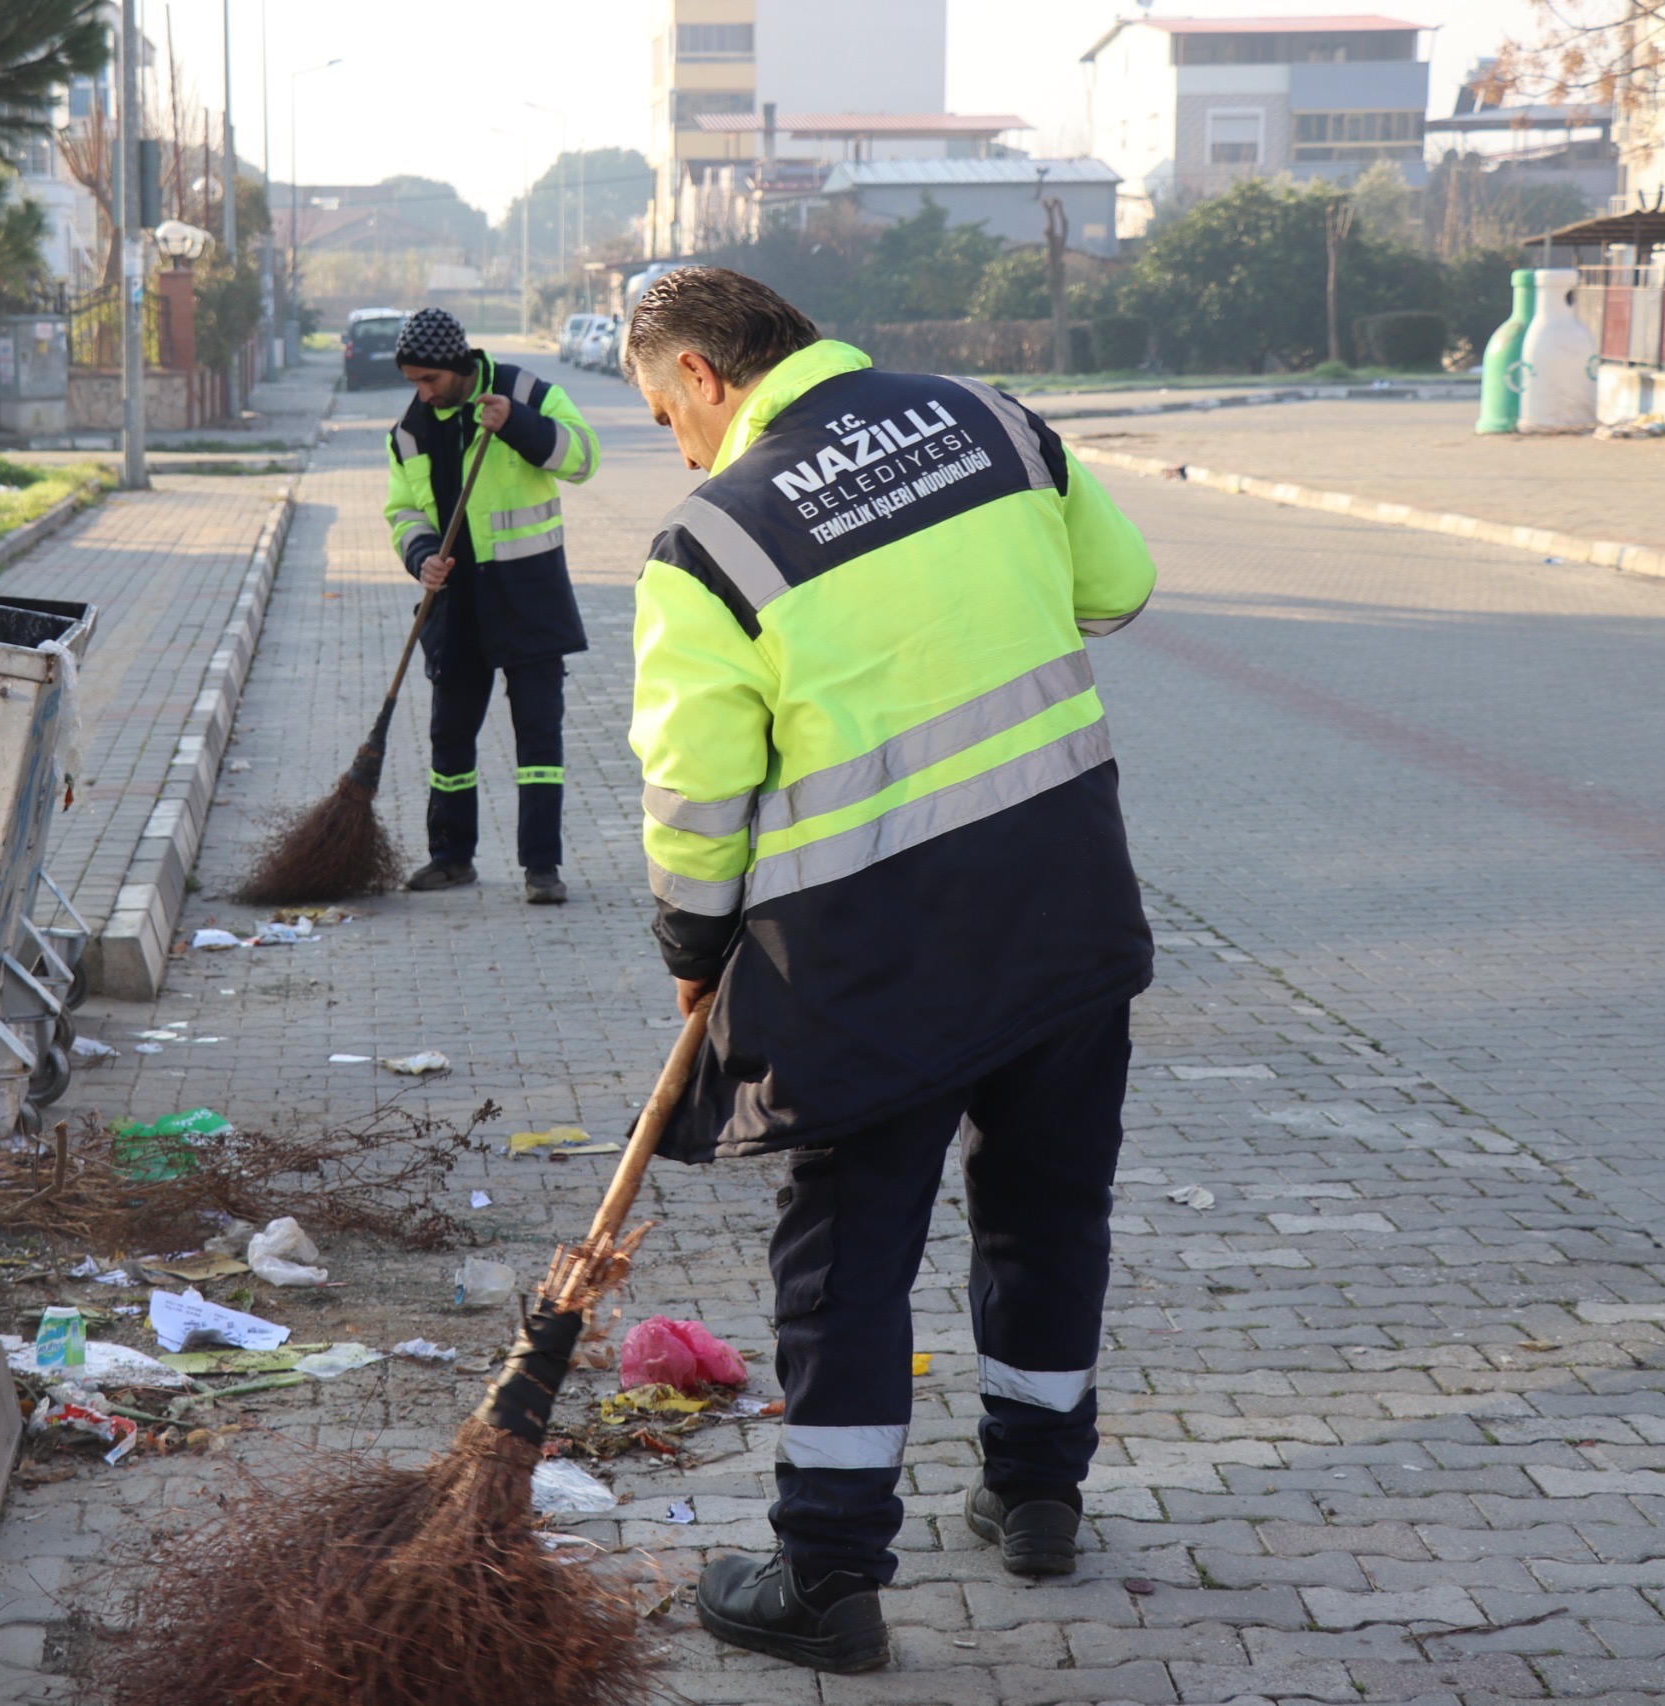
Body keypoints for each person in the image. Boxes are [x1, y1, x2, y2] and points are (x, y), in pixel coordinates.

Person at [621, 268, 1158, 1673]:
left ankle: (829, 1574)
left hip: (868, 963)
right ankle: (1039, 1495)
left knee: (850, 1256)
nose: (677, 447)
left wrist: (691, 952)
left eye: (662, 413)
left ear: (699, 377)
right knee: (1048, 1207)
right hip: (1062, 909)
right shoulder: (996, 420)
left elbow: (695, 800)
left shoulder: (714, 541)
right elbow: (1122, 587)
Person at [382, 306, 599, 904]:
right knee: (449, 737)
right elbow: (402, 511)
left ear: (456, 367)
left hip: (530, 597)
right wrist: (421, 555)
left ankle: (542, 869)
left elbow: (583, 458)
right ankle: (451, 858)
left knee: (539, 741)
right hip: (456, 607)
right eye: (414, 383)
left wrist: (520, 425)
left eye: (429, 380)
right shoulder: (408, 432)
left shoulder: (524, 391)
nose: (422, 394)